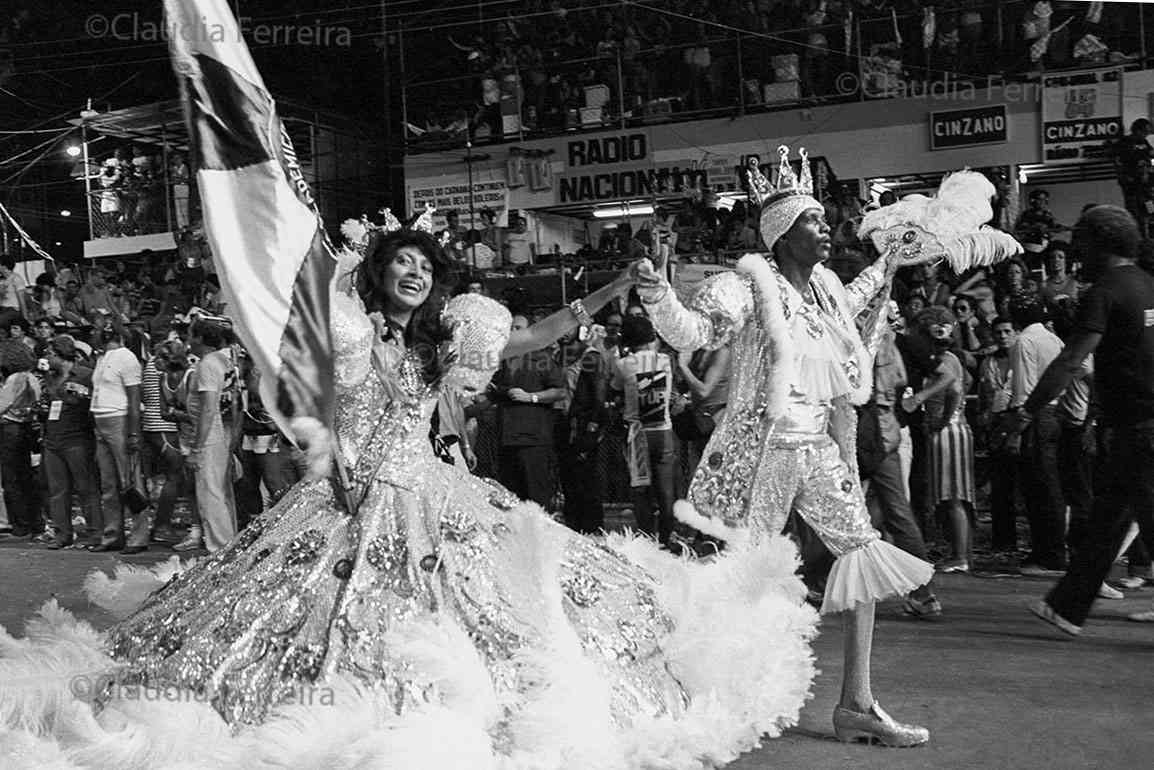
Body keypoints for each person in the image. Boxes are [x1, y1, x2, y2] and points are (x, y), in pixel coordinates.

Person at [0, 224, 822, 767]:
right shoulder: (348, 330)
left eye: (426, 267)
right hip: (344, 494)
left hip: (431, 490)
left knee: (496, 602)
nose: (415, 273)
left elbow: (532, 338)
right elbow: (304, 388)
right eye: (403, 261)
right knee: (314, 616)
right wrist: (335, 453)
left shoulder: (451, 336)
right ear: (380, 270)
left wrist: (609, 294)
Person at [633, 149, 937, 747]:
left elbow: (853, 311)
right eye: (813, 220)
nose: (826, 228)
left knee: (864, 558)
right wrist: (659, 294)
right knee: (733, 579)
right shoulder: (745, 285)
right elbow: (692, 334)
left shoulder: (824, 289)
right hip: (756, 455)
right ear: (781, 233)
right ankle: (693, 695)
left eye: (825, 218)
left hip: (819, 448)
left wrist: (889, 262)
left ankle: (857, 702)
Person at [1017, 206, 1154, 633]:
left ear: (1100, 243)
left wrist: (1026, 409)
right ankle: (1067, 607)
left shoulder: (1104, 291)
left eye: (1082, 241)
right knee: (1107, 519)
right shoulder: (1148, 284)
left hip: (1136, 426)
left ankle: (1069, 605)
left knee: (1136, 516)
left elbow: (1072, 360)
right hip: (1139, 423)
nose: (1077, 251)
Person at [38, 335, 101, 549]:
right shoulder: (48, 377)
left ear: (61, 355)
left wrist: (80, 396)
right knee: (58, 490)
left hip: (77, 439)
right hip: (52, 439)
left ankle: (95, 533)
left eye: (50, 354)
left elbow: (93, 403)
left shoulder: (85, 375)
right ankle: (62, 533)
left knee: (86, 488)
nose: (46, 357)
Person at [88, 324, 142, 551]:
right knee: (109, 483)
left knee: (130, 480)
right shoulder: (102, 358)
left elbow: (133, 399)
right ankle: (113, 535)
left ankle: (138, 537)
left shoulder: (127, 358)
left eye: (109, 333)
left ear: (120, 336)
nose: (105, 335)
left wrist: (133, 432)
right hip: (101, 421)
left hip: (119, 420)